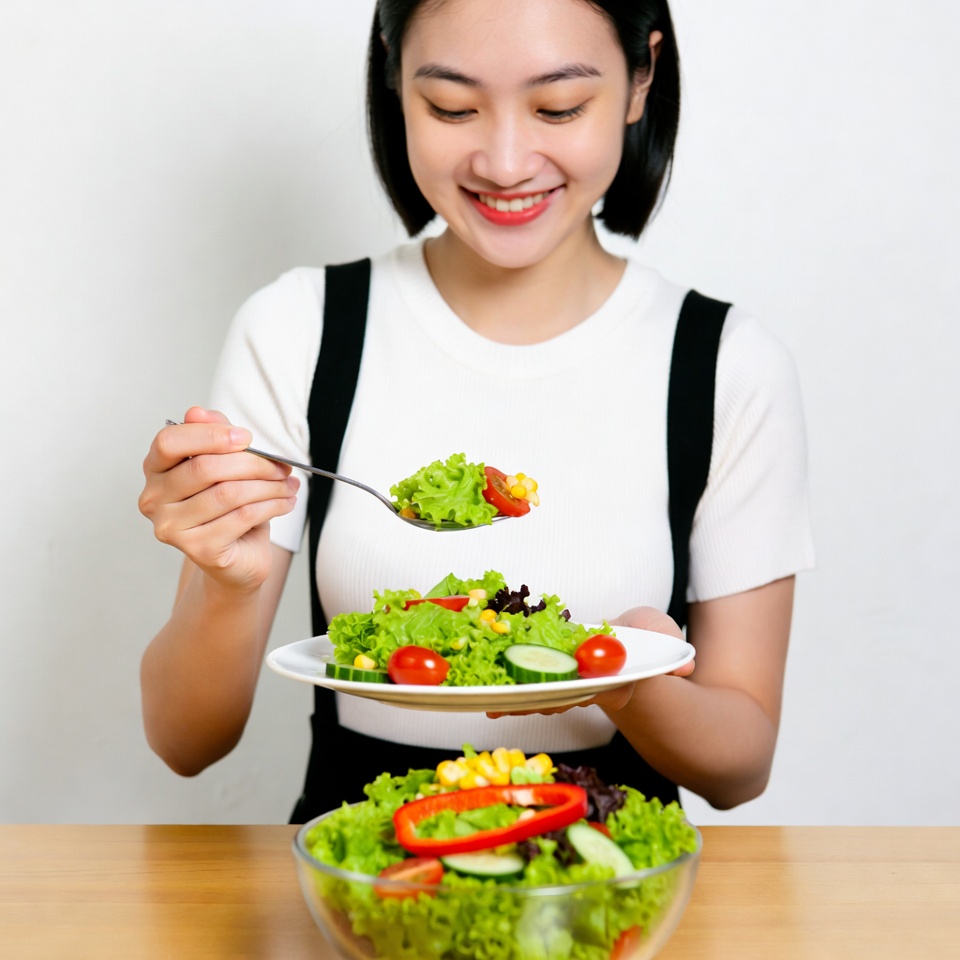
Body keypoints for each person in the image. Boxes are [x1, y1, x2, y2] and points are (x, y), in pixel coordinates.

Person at [138, 0, 814, 821]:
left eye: (559, 107)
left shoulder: (725, 363)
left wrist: (625, 679)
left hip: (612, 872)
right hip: (365, 873)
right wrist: (226, 586)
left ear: (642, 79)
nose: (504, 162)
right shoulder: (299, 329)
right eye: (452, 107)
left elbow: (740, 768)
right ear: (395, 80)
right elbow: (185, 742)